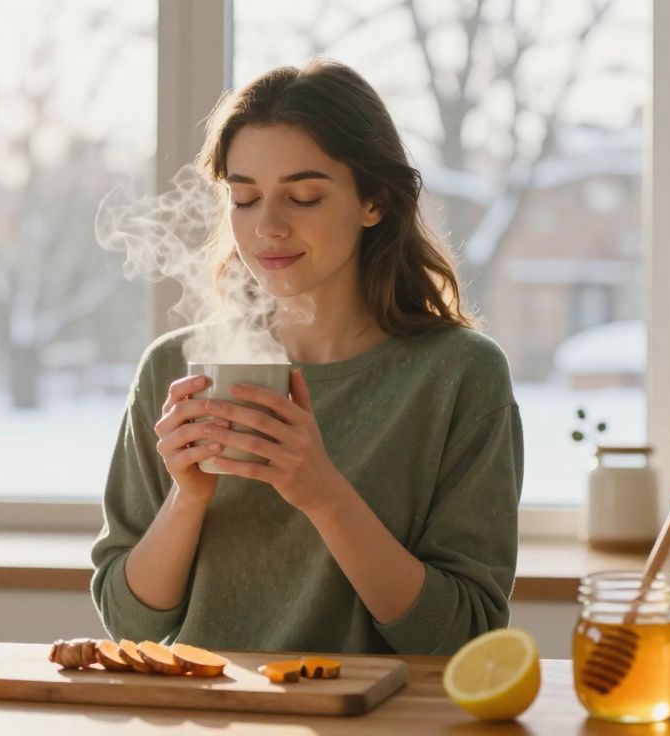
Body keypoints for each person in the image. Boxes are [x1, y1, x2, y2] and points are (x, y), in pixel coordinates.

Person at [91, 59, 523, 656]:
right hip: (209, 713)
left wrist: (322, 492)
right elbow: (127, 623)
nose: (267, 226)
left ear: (374, 200)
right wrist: (186, 497)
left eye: (304, 197)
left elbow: (463, 636)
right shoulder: (175, 368)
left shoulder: (458, 375)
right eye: (244, 198)